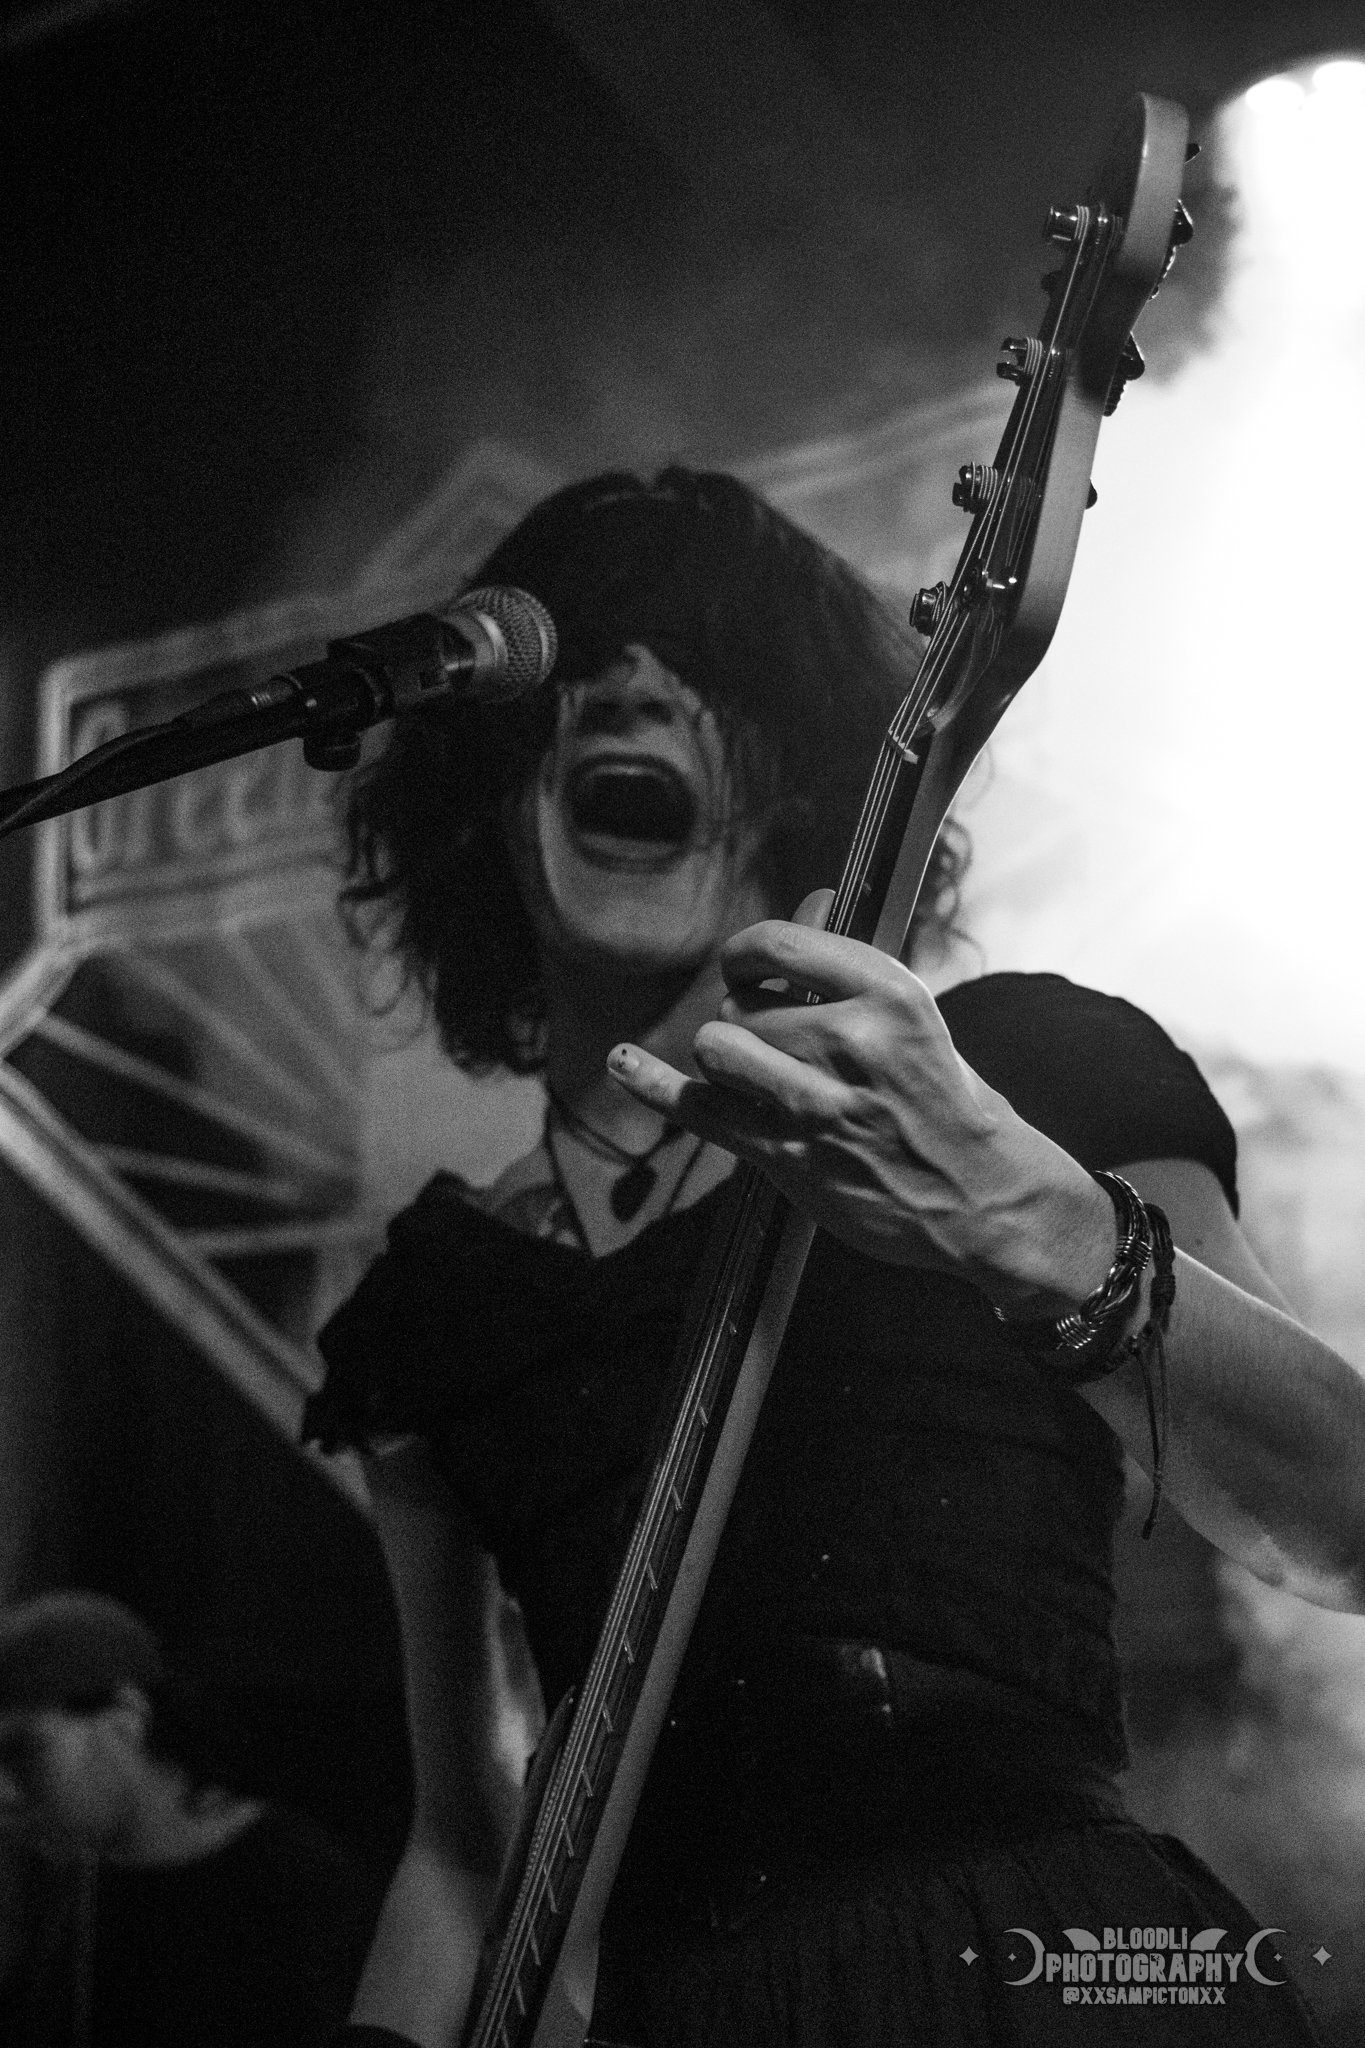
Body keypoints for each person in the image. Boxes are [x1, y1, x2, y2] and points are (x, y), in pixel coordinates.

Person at [303, 468, 1355, 2046]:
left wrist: (1020, 1207)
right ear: (483, 797)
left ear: (800, 773)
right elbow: (462, 1847)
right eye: (579, 665)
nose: (630, 686)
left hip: (1051, 1963)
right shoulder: (433, 1304)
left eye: (704, 665)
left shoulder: (1012, 1073)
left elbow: (1341, 1514)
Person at [0, 1590, 390, 2046]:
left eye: (22, 1751)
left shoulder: (303, 1889)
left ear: (126, 1721)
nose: (5, 1793)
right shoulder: (60, 1901)